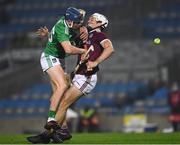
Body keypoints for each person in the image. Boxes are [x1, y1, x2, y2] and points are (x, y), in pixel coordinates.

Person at [28, 12, 114, 144]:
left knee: (62, 104)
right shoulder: (84, 34)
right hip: (78, 75)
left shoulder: (99, 35)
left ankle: (46, 135)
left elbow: (110, 48)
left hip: (87, 77)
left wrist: (96, 62)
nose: (90, 19)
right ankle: (63, 131)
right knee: (59, 99)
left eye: (95, 19)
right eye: (91, 17)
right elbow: (65, 42)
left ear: (101, 24)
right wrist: (49, 35)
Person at [27, 7, 88, 144]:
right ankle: (51, 121)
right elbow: (68, 49)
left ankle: (63, 130)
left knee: (58, 96)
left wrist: (83, 27)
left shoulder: (68, 23)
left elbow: (79, 17)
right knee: (63, 86)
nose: (80, 24)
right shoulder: (63, 27)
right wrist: (83, 51)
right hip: (50, 57)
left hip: (60, 60)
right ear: (70, 22)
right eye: (78, 22)